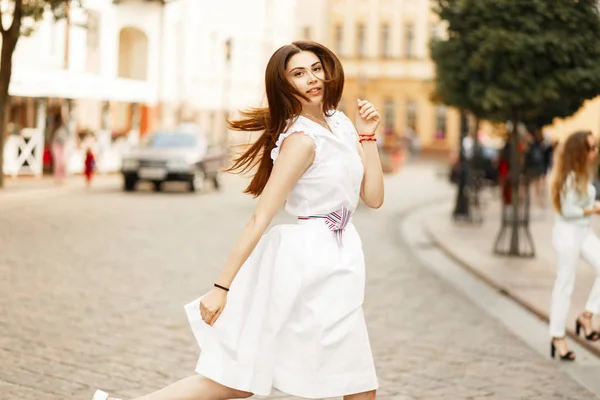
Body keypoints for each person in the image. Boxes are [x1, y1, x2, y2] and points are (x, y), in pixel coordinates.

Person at [93, 40, 384, 400]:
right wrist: (221, 288)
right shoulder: (301, 140)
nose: (311, 78)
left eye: (315, 68)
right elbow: (261, 216)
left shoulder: (339, 124)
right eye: (298, 73)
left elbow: (373, 198)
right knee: (245, 378)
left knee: (350, 382)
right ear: (284, 86)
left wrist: (368, 134)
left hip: (341, 260)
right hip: (308, 263)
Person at [549, 130, 600, 361]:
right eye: (591, 147)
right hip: (568, 233)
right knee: (565, 283)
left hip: (584, 231)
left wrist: (592, 206)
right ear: (579, 152)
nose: (595, 151)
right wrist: (594, 209)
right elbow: (567, 211)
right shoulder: (568, 176)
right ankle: (557, 336)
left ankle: (587, 315)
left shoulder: (585, 173)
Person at [50, 113, 71, 185]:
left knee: (63, 161)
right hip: (56, 143)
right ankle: (57, 177)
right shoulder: (54, 125)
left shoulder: (65, 125)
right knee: (57, 162)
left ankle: (63, 177)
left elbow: (69, 133)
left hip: (64, 143)